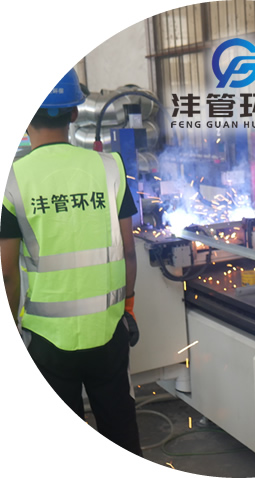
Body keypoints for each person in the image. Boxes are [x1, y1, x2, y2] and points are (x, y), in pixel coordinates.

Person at [0, 69, 143, 456]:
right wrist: (127, 307)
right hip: (108, 331)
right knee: (120, 432)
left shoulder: (12, 181)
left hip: (46, 342)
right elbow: (129, 251)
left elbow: (7, 273)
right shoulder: (110, 167)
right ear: (75, 114)